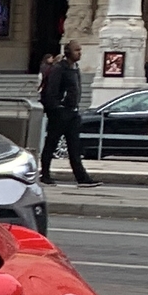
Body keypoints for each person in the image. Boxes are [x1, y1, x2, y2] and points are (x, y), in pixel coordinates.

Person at [38, 41, 95, 186]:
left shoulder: (75, 68)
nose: (80, 53)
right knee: (51, 143)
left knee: (74, 146)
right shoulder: (59, 68)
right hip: (60, 113)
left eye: (80, 50)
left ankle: (82, 178)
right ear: (68, 52)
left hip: (73, 112)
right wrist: (58, 107)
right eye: (77, 50)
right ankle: (45, 174)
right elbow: (52, 91)